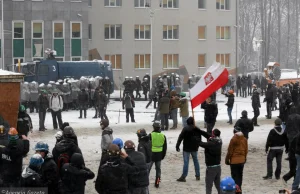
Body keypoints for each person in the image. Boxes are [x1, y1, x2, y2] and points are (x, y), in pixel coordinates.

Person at [196, 129, 222, 194]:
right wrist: (198, 130)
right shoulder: (219, 141)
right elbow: (207, 135)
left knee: (208, 185)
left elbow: (201, 143)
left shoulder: (211, 143)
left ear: (213, 135)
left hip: (211, 167)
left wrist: (196, 138)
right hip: (218, 166)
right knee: (218, 185)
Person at [176, 117, 201, 182]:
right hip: (194, 147)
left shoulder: (185, 129)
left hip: (186, 148)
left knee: (186, 162)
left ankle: (184, 176)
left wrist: (177, 145)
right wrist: (197, 145)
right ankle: (198, 175)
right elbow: (199, 138)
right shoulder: (197, 129)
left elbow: (180, 137)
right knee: (196, 161)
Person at [225, 127, 248, 191]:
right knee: (240, 176)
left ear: (234, 132)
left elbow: (230, 151)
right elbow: (246, 150)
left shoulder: (233, 139)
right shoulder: (244, 139)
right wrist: (245, 158)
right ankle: (239, 189)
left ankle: (236, 190)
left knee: (234, 177)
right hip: (242, 160)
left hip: (234, 161)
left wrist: (227, 160)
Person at [149, 121, 167, 188]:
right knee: (158, 170)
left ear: (153, 127)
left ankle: (146, 182)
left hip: (151, 155)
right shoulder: (163, 136)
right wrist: (163, 156)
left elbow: (148, 145)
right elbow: (165, 148)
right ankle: (157, 183)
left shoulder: (150, 135)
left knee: (148, 169)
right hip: (159, 155)